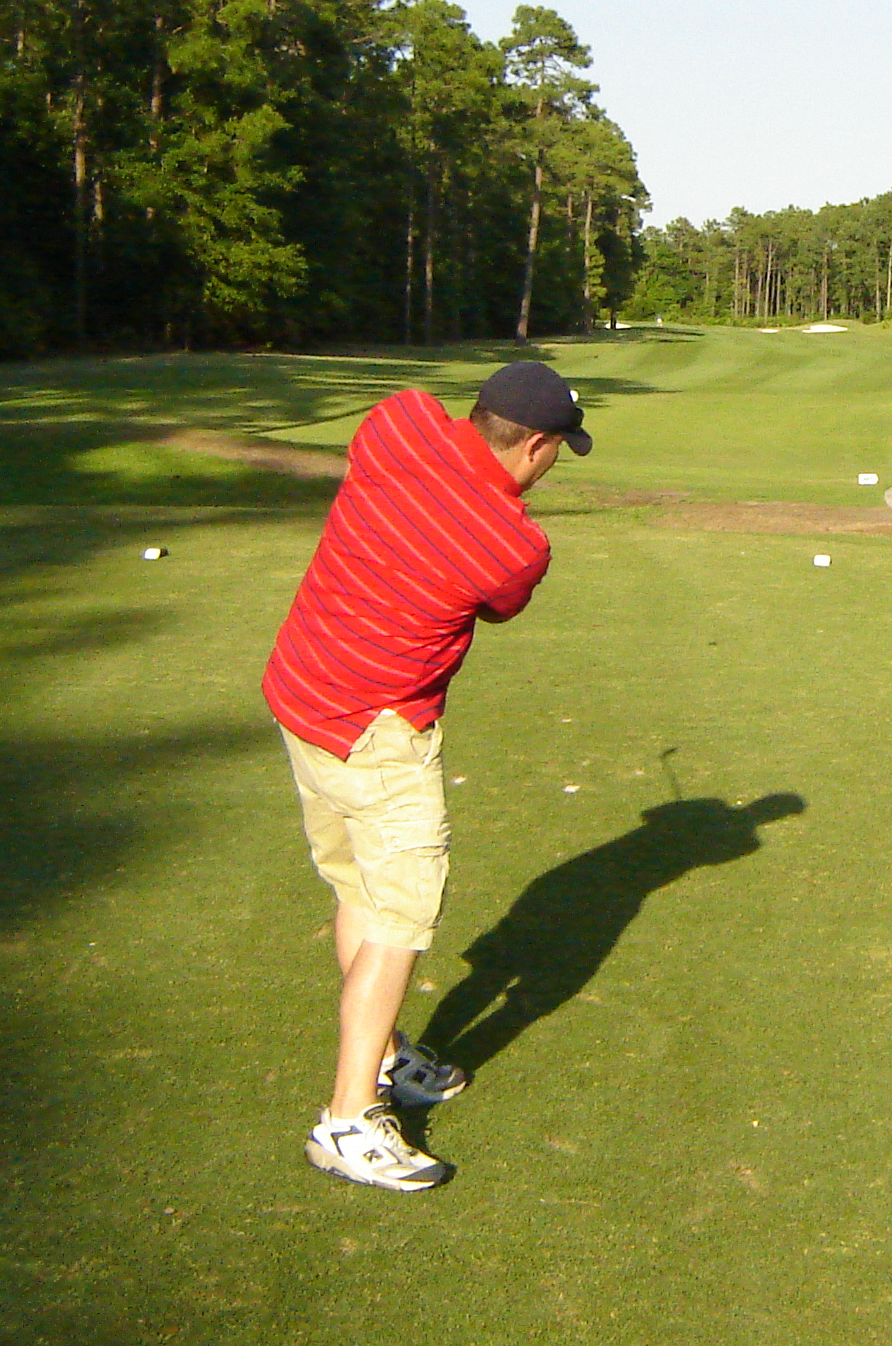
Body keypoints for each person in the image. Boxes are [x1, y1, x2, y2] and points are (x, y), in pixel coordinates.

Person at [262, 360, 592, 1191]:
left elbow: (405, 421)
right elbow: (500, 603)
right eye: (559, 450)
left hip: (300, 690)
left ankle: (382, 1054)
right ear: (538, 444)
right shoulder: (514, 545)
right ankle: (348, 1120)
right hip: (377, 733)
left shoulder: (397, 423)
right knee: (401, 917)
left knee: (361, 891)